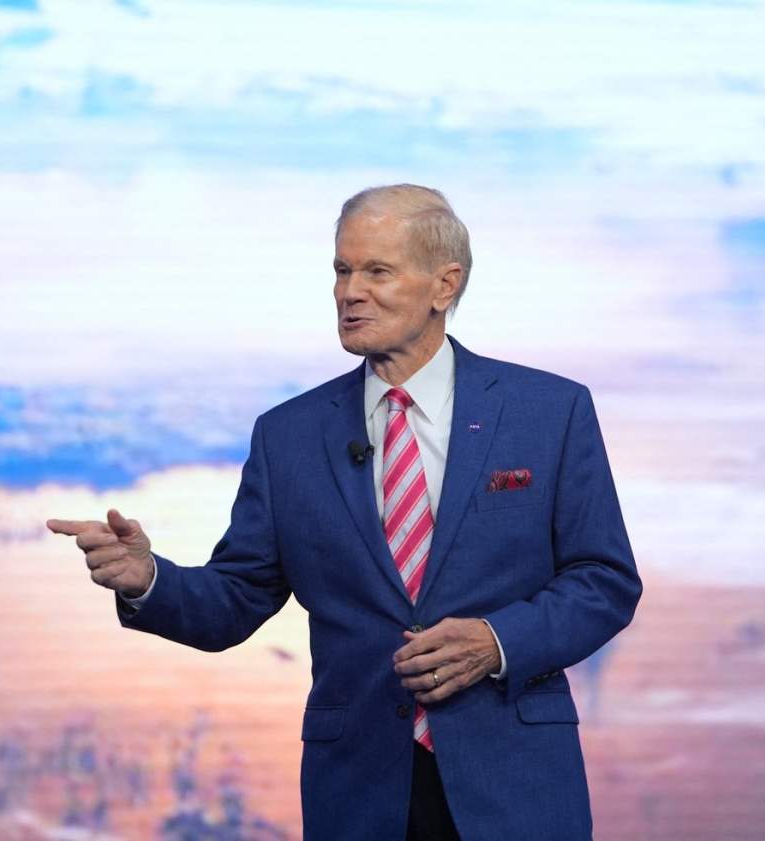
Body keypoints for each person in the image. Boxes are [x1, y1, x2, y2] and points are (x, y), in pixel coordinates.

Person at [47, 184, 642, 841]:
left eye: (377, 272)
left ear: (444, 285)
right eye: (341, 270)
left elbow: (604, 580)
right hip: (359, 792)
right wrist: (148, 580)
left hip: (516, 786)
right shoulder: (288, 436)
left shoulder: (548, 412)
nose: (350, 292)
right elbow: (236, 598)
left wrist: (495, 641)